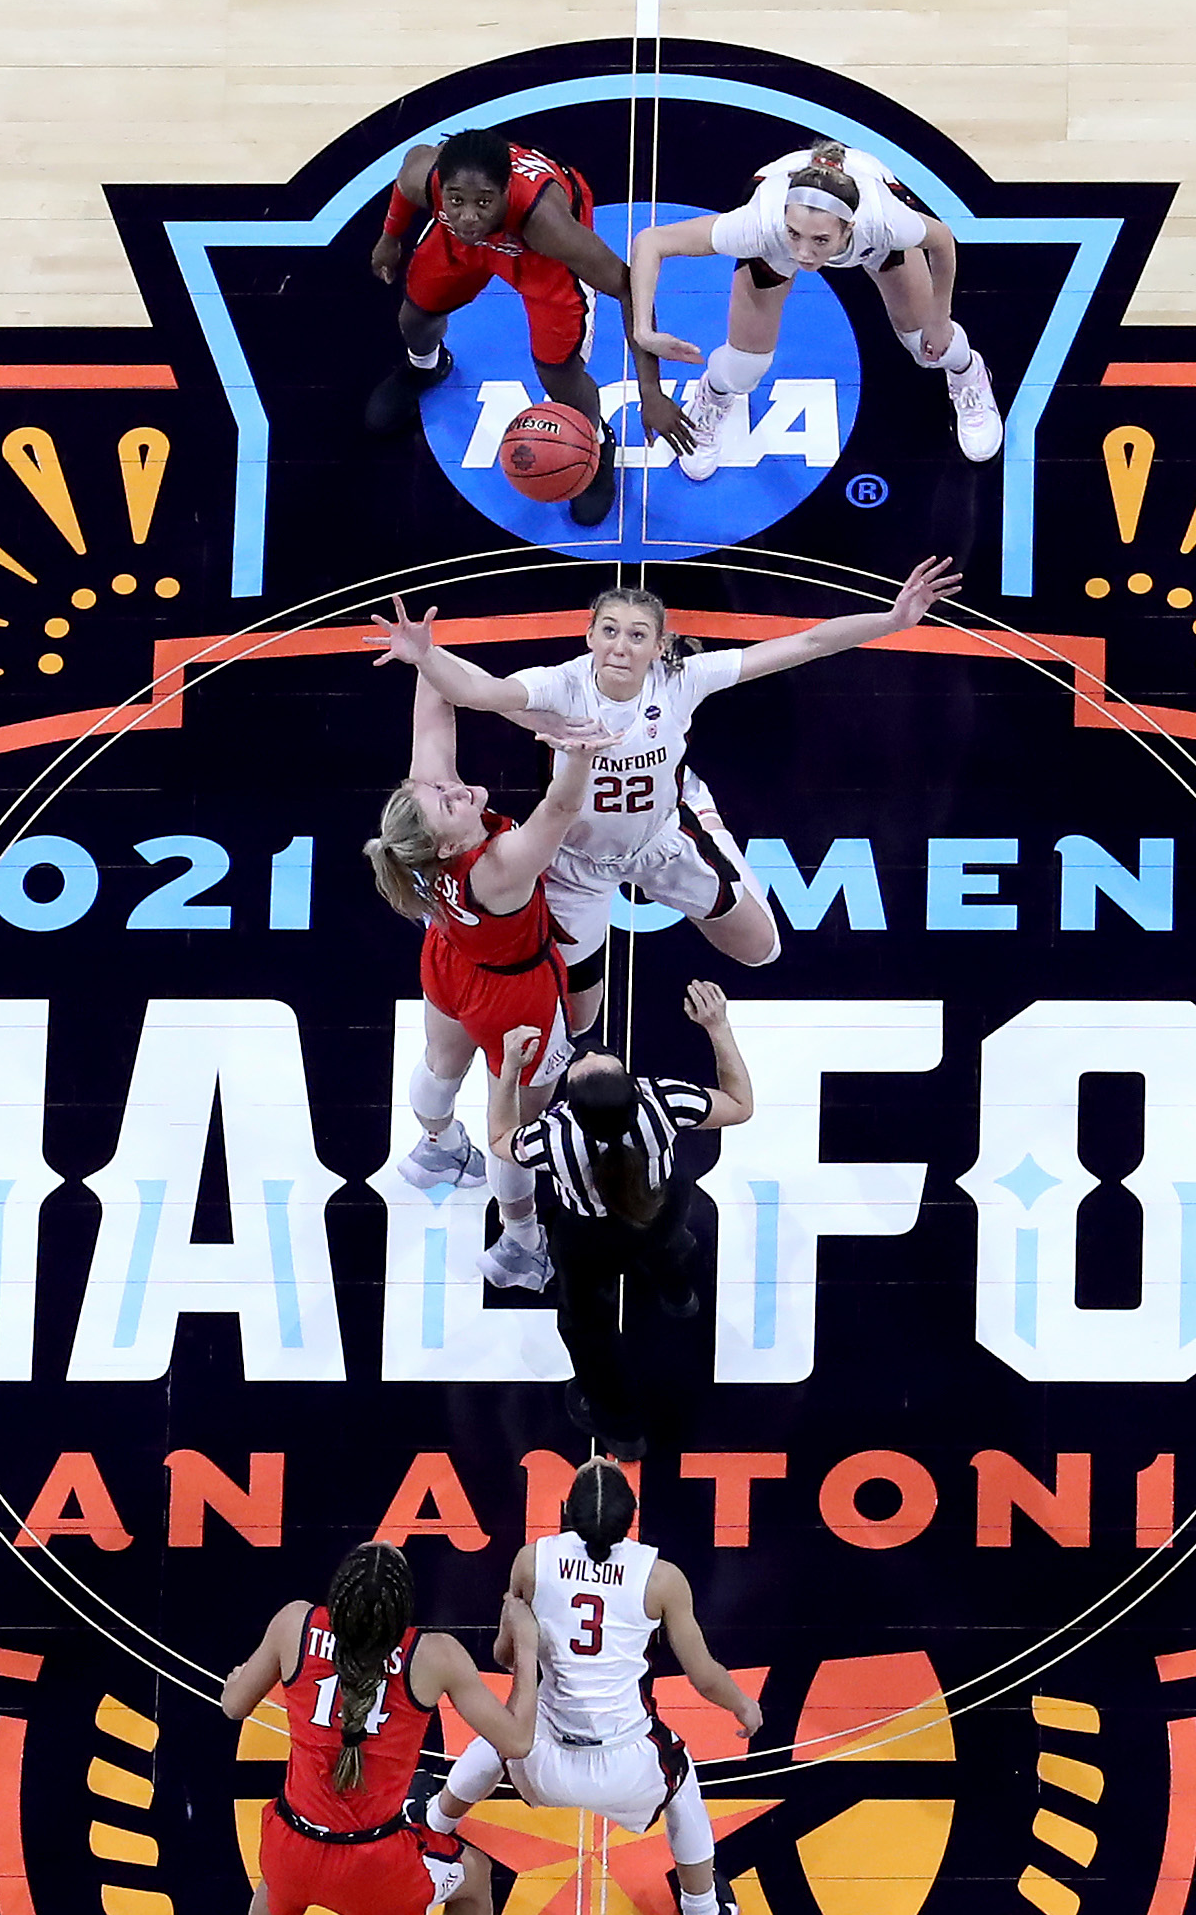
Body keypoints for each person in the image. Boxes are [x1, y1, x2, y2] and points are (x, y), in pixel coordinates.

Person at [366, 556, 959, 1044]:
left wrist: (894, 619)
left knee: (763, 951)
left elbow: (805, 644)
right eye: (610, 631)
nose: (621, 645)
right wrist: (425, 656)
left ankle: (700, 811)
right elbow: (479, 690)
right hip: (576, 865)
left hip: (660, 841)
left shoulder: (683, 679)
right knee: (579, 1021)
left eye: (638, 634)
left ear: (658, 645)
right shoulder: (560, 685)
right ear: (590, 635)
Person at [412, 1460, 763, 1915]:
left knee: (501, 1730)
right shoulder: (662, 1579)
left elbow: (505, 1653)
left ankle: (434, 1823)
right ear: (632, 1520)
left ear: (564, 1514)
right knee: (682, 1783)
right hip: (625, 1765)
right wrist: (743, 1705)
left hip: (541, 1757)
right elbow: (703, 1673)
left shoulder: (531, 1562)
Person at [216, 1542, 537, 1915]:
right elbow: (519, 1739)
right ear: (402, 1612)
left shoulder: (293, 1624)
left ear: (336, 1602)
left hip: (292, 1842)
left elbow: (232, 1705)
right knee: (476, 1881)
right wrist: (526, 1650)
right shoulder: (432, 1656)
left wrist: (235, 1678)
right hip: (375, 1870)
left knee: (278, 1885)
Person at [368, 673, 595, 1291]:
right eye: (448, 801)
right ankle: (521, 1243)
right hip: (514, 999)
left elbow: (434, 723)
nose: (456, 788)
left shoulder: (420, 835)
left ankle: (436, 1146)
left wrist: (424, 660)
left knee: (442, 1062)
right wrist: (576, 756)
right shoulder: (497, 868)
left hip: (450, 961)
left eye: (441, 788)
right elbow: (561, 809)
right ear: (445, 840)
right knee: (516, 1132)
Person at [619, 139, 996, 479]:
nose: (804, 254)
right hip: (773, 229)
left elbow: (942, 239)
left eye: (820, 241)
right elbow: (651, 241)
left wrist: (939, 318)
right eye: (795, 235)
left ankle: (968, 373)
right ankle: (714, 396)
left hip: (870, 213)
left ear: (848, 230)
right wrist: (643, 332)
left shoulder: (883, 223)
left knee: (926, 345)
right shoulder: (761, 226)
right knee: (744, 369)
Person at [363, 128, 682, 529]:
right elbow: (404, 190)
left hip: (539, 257)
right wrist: (389, 238)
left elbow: (629, 289)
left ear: (505, 191)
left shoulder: (547, 223)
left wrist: (649, 390)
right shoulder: (423, 174)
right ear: (441, 188)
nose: (467, 215)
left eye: (483, 202)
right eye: (455, 200)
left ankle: (596, 445)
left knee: (558, 372)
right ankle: (426, 367)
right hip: (465, 248)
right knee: (416, 316)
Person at [508, 982, 755, 1451]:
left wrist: (508, 1075)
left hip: (587, 1238)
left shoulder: (554, 1135)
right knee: (668, 1241)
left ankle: (622, 1429)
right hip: (659, 1208)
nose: (589, 1052)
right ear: (632, 1088)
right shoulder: (662, 1101)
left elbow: (504, 1140)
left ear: (571, 1108)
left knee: (586, 1329)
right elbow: (740, 1106)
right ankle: (679, 1291)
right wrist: (718, 1027)